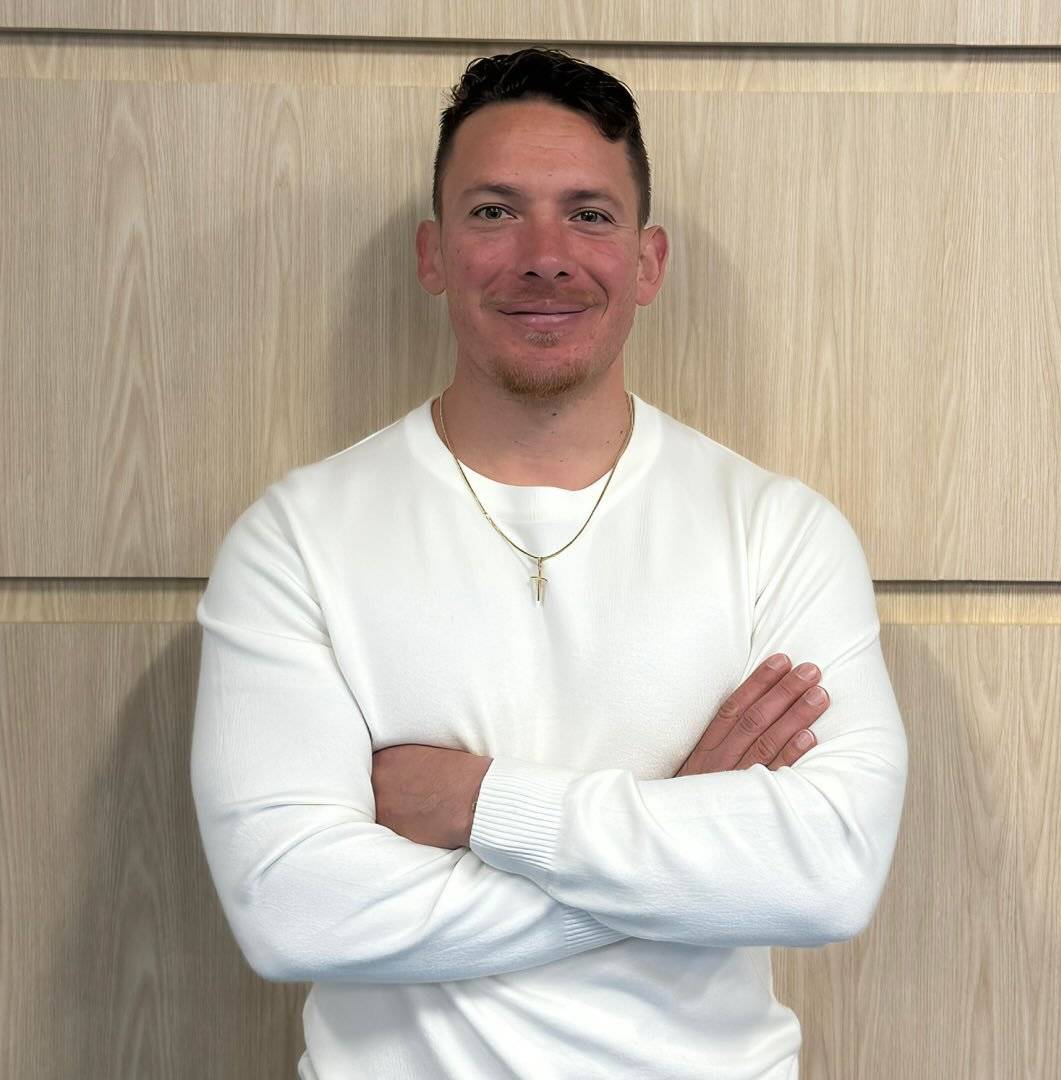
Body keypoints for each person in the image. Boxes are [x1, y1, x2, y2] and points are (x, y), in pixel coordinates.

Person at [190, 46, 909, 1080]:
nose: (545, 256)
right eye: (494, 212)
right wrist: (679, 835)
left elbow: (829, 874)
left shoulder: (780, 533)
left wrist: (483, 805)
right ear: (433, 254)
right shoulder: (297, 539)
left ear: (647, 262)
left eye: (589, 214)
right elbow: (292, 911)